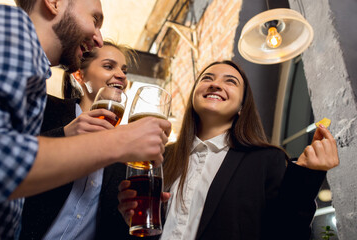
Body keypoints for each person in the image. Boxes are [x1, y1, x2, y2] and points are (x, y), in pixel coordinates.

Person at [0, 1, 170, 239]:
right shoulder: (9, 29)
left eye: (124, 71)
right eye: (95, 20)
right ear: (54, 2)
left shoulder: (35, 81)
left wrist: (129, 218)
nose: (98, 38)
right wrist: (117, 141)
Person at [117, 60, 339, 240]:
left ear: (243, 106)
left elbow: (288, 233)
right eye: (207, 78)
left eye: (230, 81)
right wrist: (127, 214)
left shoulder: (267, 160)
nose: (215, 85)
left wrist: (307, 176)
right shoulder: (161, 157)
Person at [20, 40, 134, 239]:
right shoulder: (46, 109)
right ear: (80, 76)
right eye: (109, 66)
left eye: (124, 70)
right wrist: (64, 135)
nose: (122, 76)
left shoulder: (122, 154)